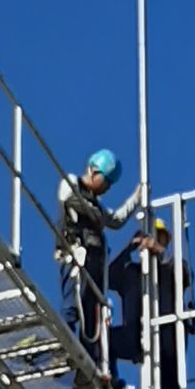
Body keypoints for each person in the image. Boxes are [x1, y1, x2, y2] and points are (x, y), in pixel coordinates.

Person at [108, 213, 195, 389]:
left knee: (170, 379)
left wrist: (158, 251)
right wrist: (129, 247)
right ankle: (110, 381)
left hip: (166, 334)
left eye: (159, 237)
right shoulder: (131, 272)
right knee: (103, 340)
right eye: (151, 236)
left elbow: (185, 275)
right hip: (135, 336)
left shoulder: (170, 269)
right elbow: (110, 275)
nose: (153, 240)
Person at [57, 148, 140, 371]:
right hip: (77, 257)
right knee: (73, 305)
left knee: (92, 315)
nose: (107, 187)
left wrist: (136, 199)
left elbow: (115, 220)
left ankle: (88, 360)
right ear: (94, 171)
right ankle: (64, 348)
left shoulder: (96, 203)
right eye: (106, 180)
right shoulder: (71, 183)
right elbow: (70, 199)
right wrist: (97, 215)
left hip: (95, 264)